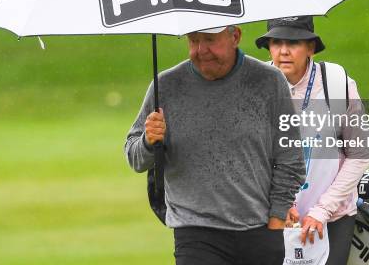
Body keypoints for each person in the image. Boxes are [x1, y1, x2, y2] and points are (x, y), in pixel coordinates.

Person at [124, 25, 305, 265]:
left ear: (235, 37)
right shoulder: (165, 86)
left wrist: (276, 220)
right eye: (193, 41)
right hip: (195, 232)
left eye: (209, 40)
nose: (200, 50)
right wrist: (149, 141)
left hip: (259, 231)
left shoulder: (269, 82)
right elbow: (134, 157)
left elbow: (290, 158)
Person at [255, 16, 369, 265]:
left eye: (294, 42)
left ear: (311, 48)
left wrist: (322, 210)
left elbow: (359, 154)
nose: (284, 51)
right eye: (276, 42)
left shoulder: (338, 85)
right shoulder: (254, 86)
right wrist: (276, 202)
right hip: (271, 216)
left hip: (332, 218)